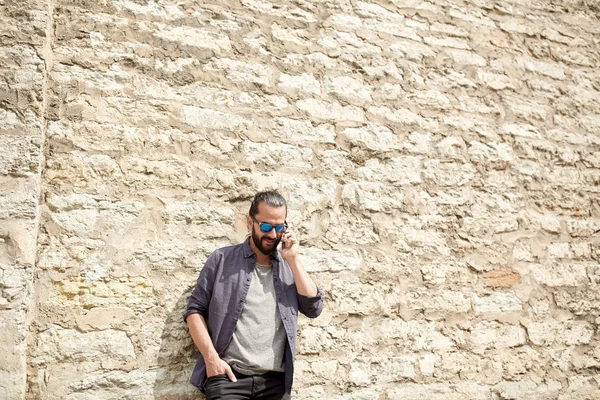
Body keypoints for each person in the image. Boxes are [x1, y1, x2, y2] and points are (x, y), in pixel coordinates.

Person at [185, 190, 324, 400]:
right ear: (250, 222)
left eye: (279, 227)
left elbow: (314, 308)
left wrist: (293, 260)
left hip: (275, 384)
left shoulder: (289, 267)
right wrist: (211, 359)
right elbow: (194, 311)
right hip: (229, 380)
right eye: (266, 226)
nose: (272, 234)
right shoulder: (222, 259)